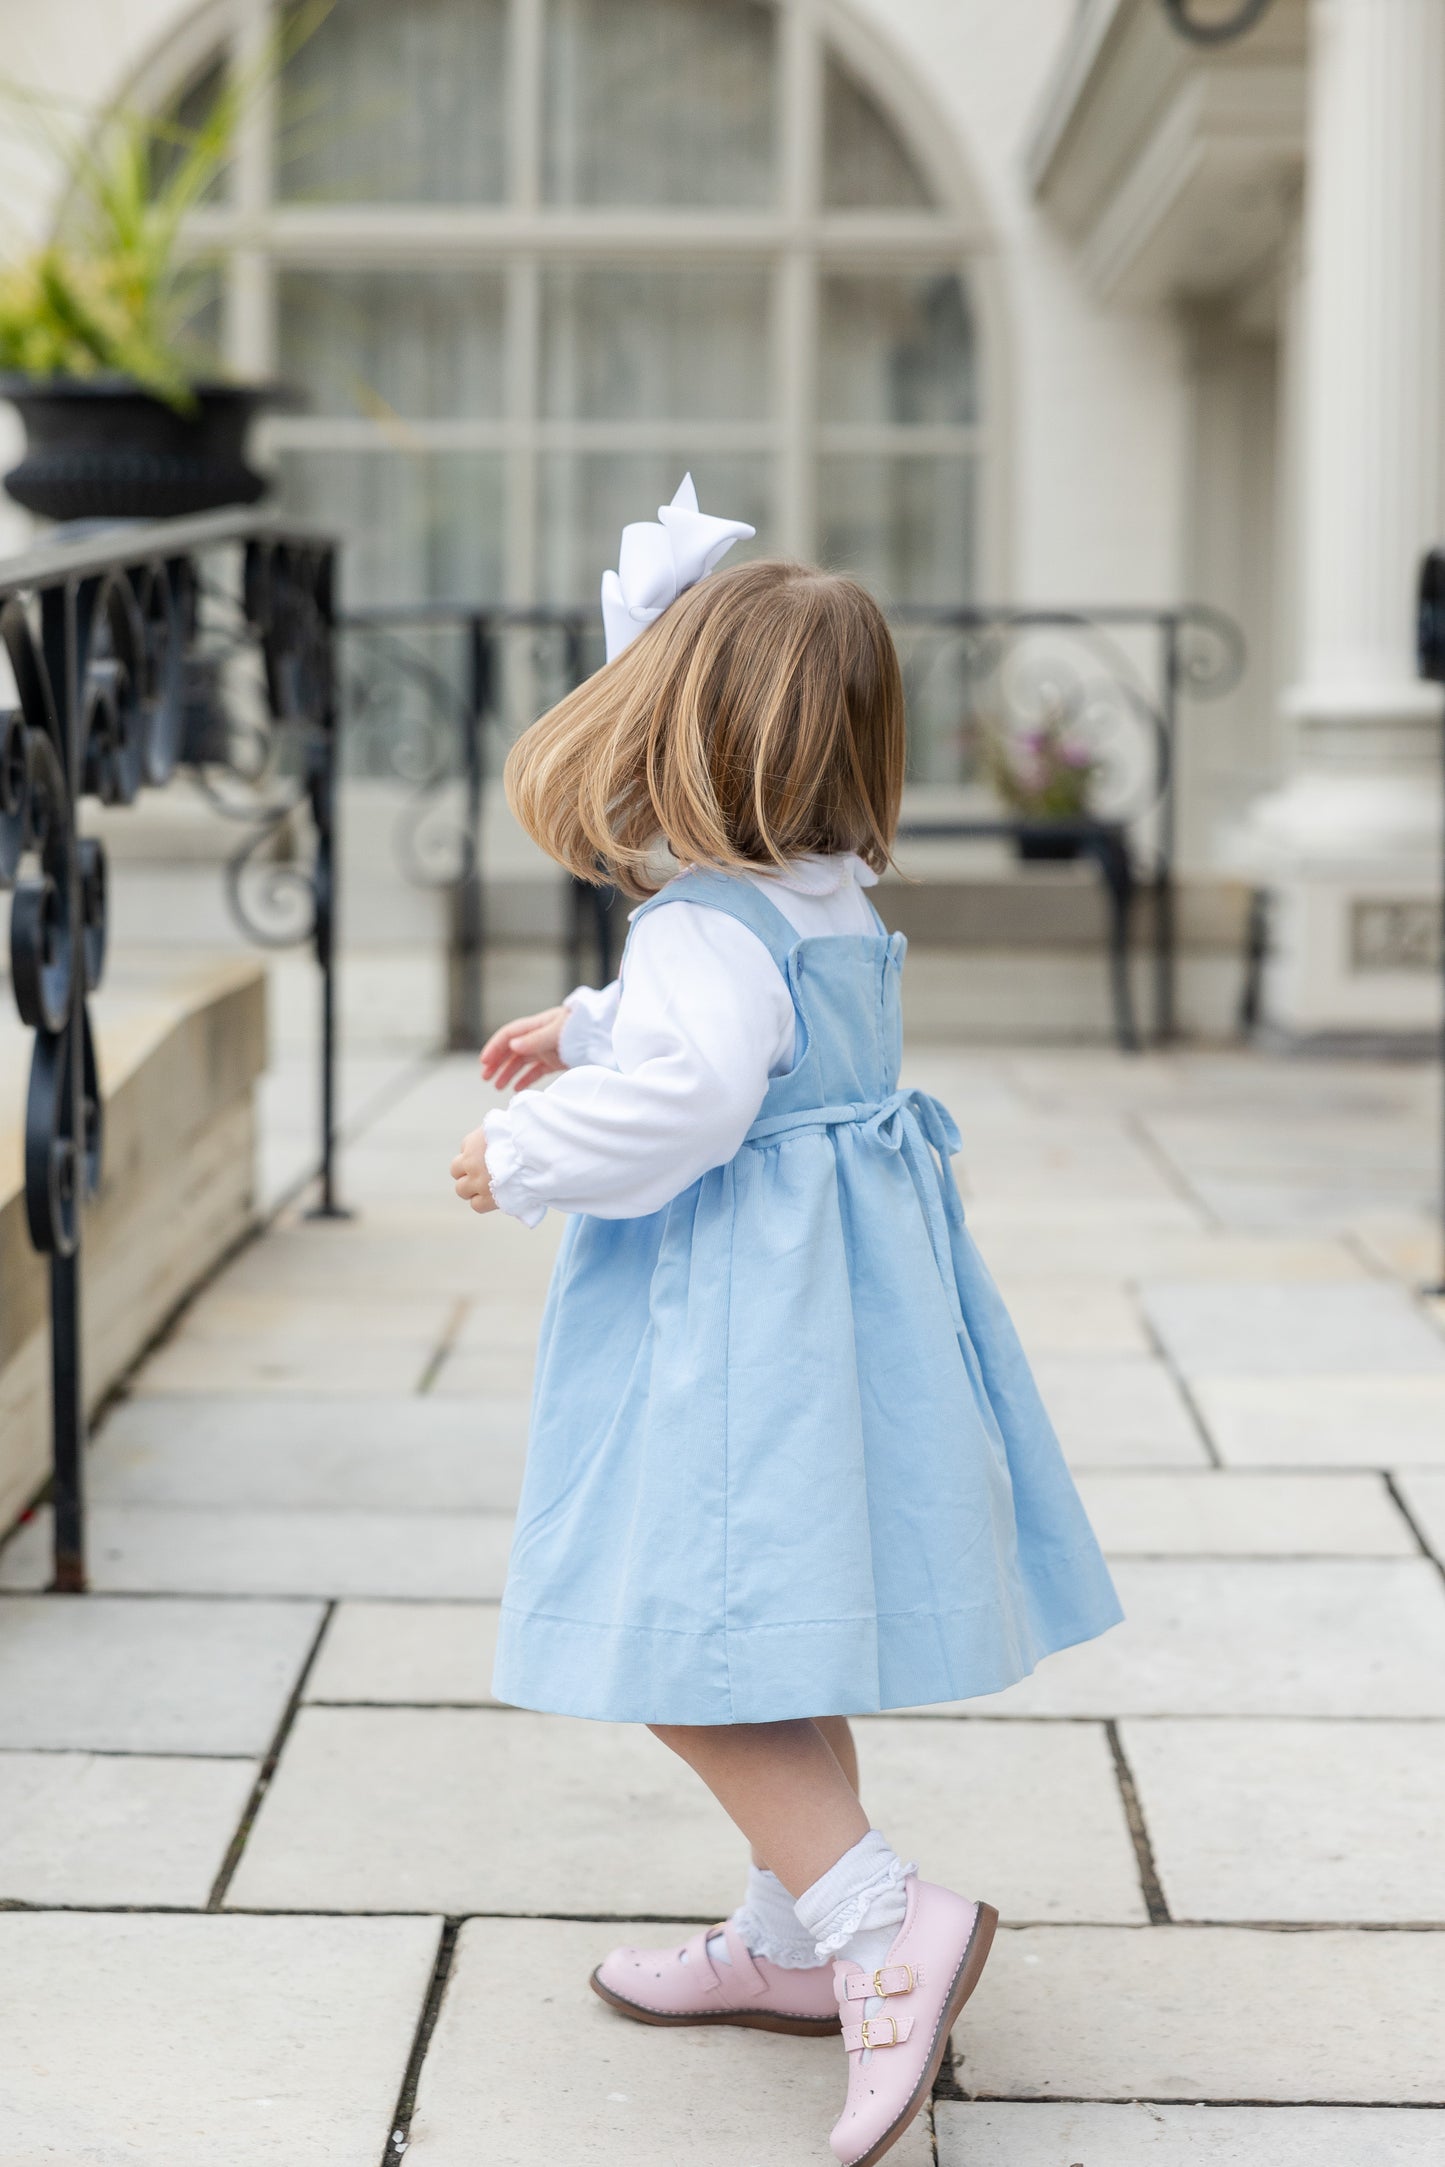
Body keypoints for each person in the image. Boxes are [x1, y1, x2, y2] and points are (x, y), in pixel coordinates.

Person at [450, 478, 1121, 2167]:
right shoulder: (824, 899)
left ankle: (880, 1915)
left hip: (731, 1321)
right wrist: (588, 1022)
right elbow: (741, 1028)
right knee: (766, 1628)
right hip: (830, 1308)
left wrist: (520, 1150)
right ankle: (783, 1940)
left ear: (679, 744)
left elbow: (686, 1103)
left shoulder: (699, 927)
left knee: (680, 1631)